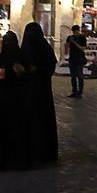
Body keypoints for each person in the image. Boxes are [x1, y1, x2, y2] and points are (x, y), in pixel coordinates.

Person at [0, 31, 32, 170]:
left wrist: (22, 72)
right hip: (17, 98)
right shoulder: (22, 58)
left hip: (3, 99)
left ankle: (3, 159)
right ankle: (17, 159)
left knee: (7, 129)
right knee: (16, 129)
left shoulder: (0, 59)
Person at [22, 21, 59, 162]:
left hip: (40, 90)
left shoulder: (43, 49)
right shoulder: (30, 49)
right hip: (32, 91)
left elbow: (50, 67)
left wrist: (36, 71)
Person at [65, 24, 87, 98]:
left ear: (78, 30)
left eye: (76, 31)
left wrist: (74, 43)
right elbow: (67, 46)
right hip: (72, 59)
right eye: (73, 32)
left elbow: (82, 49)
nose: (75, 33)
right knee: (73, 76)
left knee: (80, 76)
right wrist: (66, 46)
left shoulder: (82, 38)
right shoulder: (70, 37)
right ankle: (74, 91)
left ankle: (80, 92)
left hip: (80, 59)